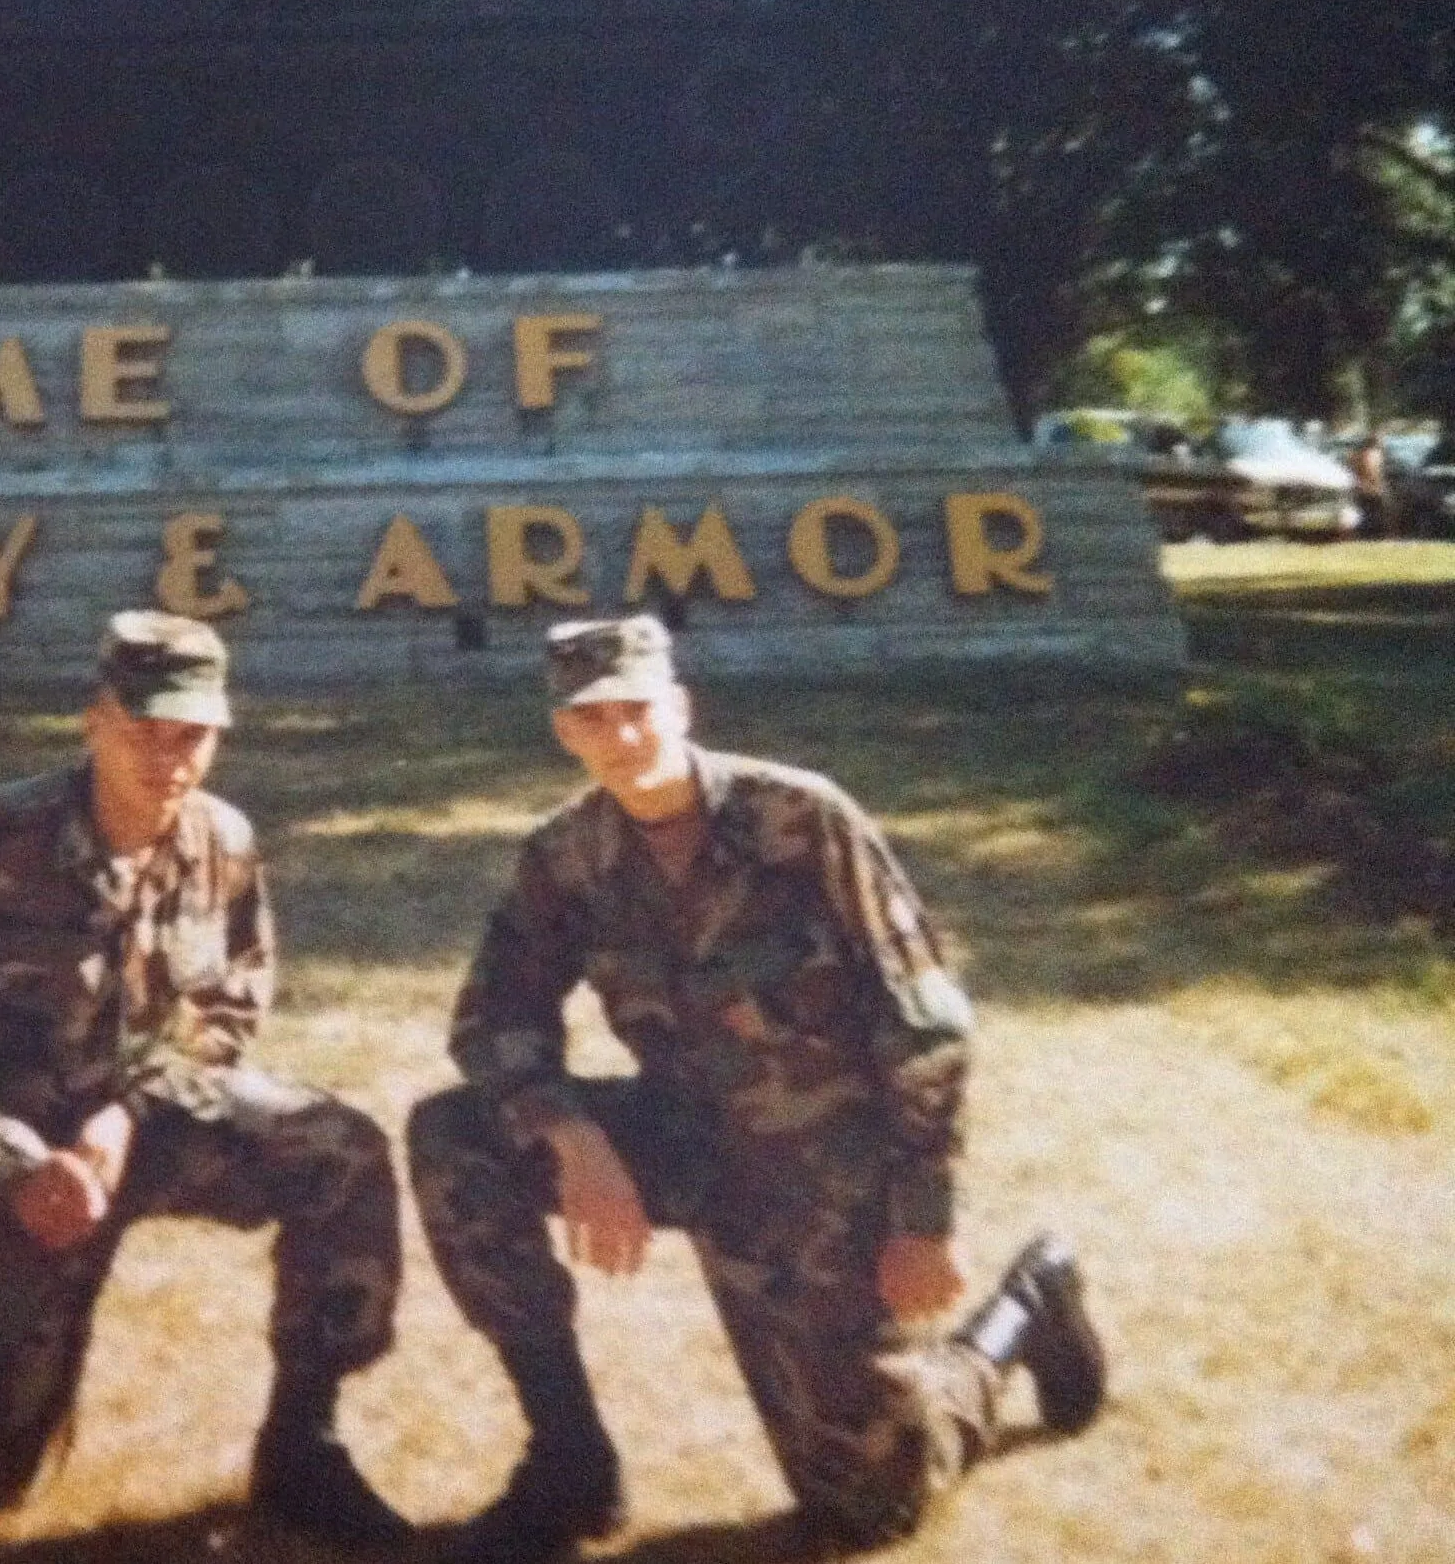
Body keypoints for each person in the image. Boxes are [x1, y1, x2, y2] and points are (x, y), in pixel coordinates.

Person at [407, 616, 1106, 1558]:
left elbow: (927, 1021)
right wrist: (576, 1142)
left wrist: (920, 1216)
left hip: (823, 1169)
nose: (621, 738)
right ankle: (569, 1462)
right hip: (682, 1134)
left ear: (680, 708)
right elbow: (493, 1020)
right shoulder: (566, 857)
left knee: (867, 1505)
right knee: (456, 1136)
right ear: (564, 733)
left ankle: (1023, 1308)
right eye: (592, 719)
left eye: (638, 712)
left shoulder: (801, 819)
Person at [0, 609, 409, 1545]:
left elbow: (234, 1000)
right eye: (144, 732)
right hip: (14, 1157)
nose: (170, 760)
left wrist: (124, 1116)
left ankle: (303, 1445)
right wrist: (21, 1163)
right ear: (95, 720)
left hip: (149, 1129)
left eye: (192, 736)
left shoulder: (223, 841)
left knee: (343, 1151)